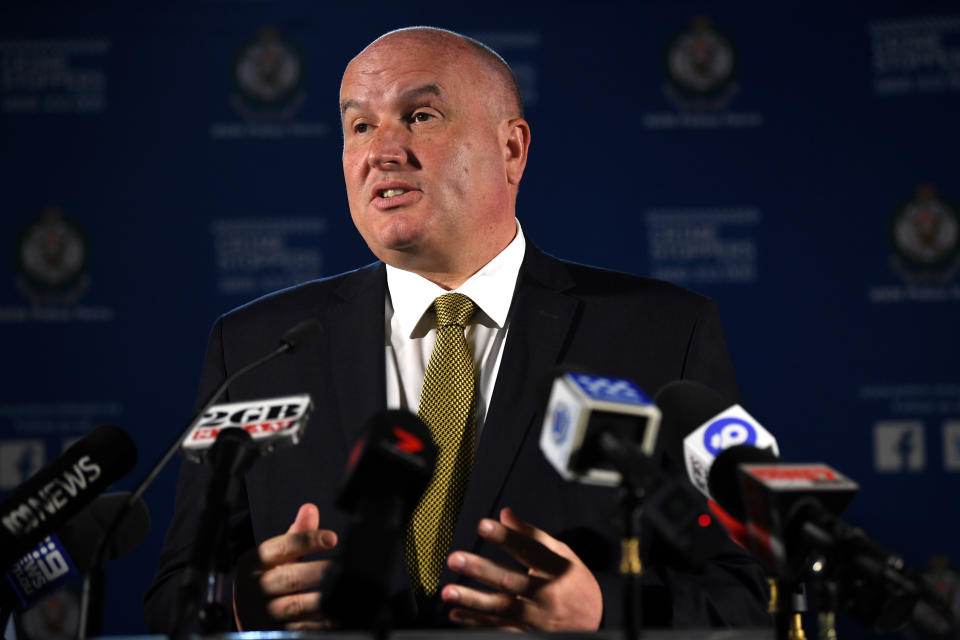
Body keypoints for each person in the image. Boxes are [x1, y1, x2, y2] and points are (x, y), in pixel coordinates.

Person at [144, 26, 769, 632]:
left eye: (420, 117)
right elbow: (174, 593)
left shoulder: (663, 332)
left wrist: (603, 610)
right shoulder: (256, 348)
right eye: (360, 126)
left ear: (512, 150)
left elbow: (749, 588)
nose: (381, 152)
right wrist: (238, 606)